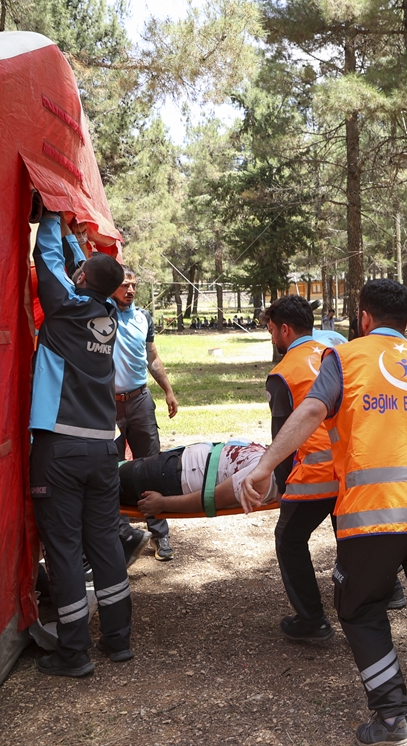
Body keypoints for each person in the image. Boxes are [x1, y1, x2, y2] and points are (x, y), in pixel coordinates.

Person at [240, 279, 407, 745]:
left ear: (364, 318)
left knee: (359, 610)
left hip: (374, 516)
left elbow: (312, 412)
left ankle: (394, 719)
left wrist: (264, 465)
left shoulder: (347, 358)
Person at [29, 210, 135, 678]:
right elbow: (84, 272)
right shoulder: (107, 315)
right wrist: (78, 239)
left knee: (66, 549)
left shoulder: (67, 312)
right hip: (102, 451)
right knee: (104, 544)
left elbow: (46, 261)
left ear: (81, 280)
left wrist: (52, 218)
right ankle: (118, 640)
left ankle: (73, 651)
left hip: (60, 451)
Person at [263, 296, 352, 644]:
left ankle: (312, 620)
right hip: (350, 467)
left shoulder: (283, 372)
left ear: (285, 329)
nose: (272, 338)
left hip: (314, 472)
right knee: (349, 532)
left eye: (272, 331)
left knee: (289, 538)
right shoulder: (337, 354)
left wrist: (279, 483)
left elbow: (283, 437)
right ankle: (387, 590)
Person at [111, 269, 179, 561]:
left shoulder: (143, 318)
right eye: (125, 285)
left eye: (134, 285)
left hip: (139, 400)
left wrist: (168, 390)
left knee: (151, 467)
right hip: (107, 406)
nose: (130, 290)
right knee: (109, 469)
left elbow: (152, 357)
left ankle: (159, 535)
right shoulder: (100, 312)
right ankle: (122, 535)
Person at [119, 440, 277, 516]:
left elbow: (212, 499)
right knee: (104, 477)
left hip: (172, 478)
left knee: (100, 483)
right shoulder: (280, 458)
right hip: (175, 463)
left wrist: (162, 503)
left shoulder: (263, 479)